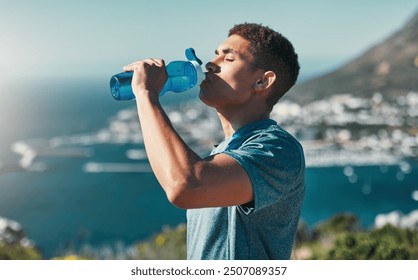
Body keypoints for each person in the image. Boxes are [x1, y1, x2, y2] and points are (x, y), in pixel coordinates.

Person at [122, 23, 305, 260]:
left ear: (262, 82)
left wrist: (146, 95)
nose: (210, 64)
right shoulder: (221, 153)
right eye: (215, 54)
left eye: (228, 58)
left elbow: (185, 186)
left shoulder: (278, 149)